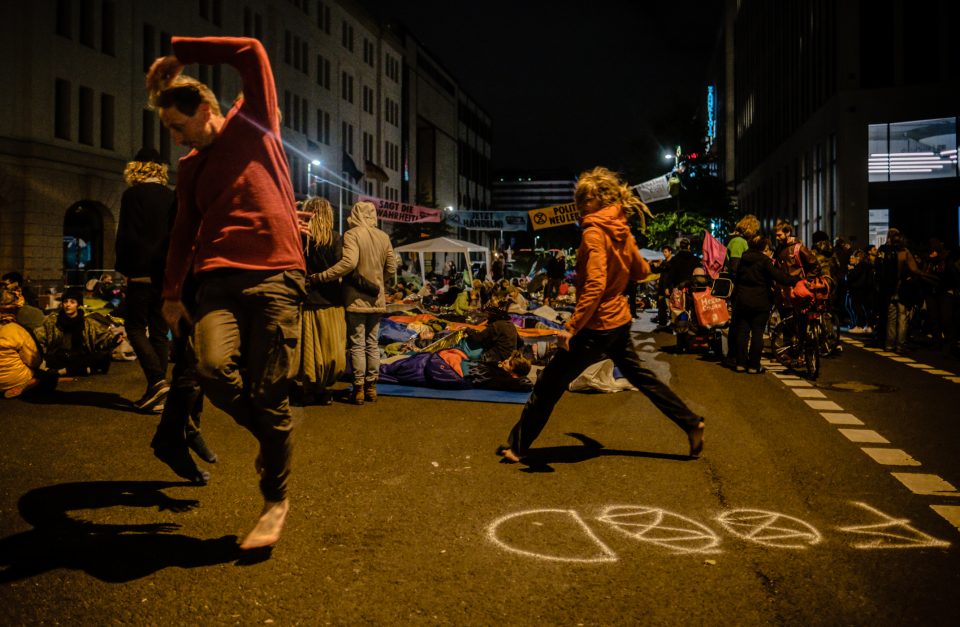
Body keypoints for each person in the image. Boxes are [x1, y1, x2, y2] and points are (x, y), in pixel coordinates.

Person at [147, 35, 306, 550]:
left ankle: (274, 500)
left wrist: (180, 52)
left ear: (206, 109)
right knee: (212, 370)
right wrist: (172, 293)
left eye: (178, 126)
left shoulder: (253, 121)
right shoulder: (190, 167)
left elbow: (252, 51)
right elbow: (183, 232)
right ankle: (272, 439)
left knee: (269, 393)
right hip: (216, 280)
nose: (175, 139)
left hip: (277, 275)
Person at [496, 167, 705, 464]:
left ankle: (518, 447)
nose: (579, 204)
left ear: (598, 199)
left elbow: (594, 285)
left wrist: (572, 326)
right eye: (578, 197)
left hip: (596, 325)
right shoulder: (620, 229)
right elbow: (641, 271)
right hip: (618, 320)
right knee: (642, 378)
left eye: (584, 198)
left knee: (548, 384)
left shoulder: (594, 233)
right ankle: (690, 422)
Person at [309, 201, 396, 405]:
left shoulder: (352, 234)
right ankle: (372, 387)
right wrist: (379, 282)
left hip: (355, 298)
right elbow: (391, 268)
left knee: (357, 344)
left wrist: (321, 277)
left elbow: (348, 263)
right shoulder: (384, 237)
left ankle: (357, 389)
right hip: (377, 299)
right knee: (372, 344)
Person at [115, 147, 176, 411]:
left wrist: (125, 269)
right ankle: (157, 393)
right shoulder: (171, 196)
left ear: (136, 167)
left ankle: (157, 381)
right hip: (165, 274)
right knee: (160, 333)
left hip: (140, 271)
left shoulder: (132, 195)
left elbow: (127, 236)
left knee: (135, 327)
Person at [298, 197, 346, 406]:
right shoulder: (335, 239)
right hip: (331, 300)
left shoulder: (300, 238)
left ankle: (309, 389)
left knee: (309, 349)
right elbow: (341, 268)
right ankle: (324, 389)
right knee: (330, 349)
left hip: (306, 299)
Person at [732, 235, 798, 373]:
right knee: (757, 332)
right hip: (760, 301)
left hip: (743, 300)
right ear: (763, 248)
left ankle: (740, 363)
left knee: (743, 332)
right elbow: (778, 277)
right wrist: (794, 280)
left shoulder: (743, 259)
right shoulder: (764, 261)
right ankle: (753, 366)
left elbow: (736, 278)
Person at [34, 287, 118, 376]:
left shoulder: (86, 322)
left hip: (80, 356)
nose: (68, 305)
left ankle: (64, 371)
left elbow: (102, 337)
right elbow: (40, 338)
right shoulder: (53, 321)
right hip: (60, 355)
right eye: (65, 301)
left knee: (103, 357)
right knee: (49, 359)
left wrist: (114, 340)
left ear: (78, 305)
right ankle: (85, 370)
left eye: (72, 302)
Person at [0, 283, 42, 398]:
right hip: (13, 379)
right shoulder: (16, 330)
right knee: (47, 378)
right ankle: (21, 387)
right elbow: (33, 360)